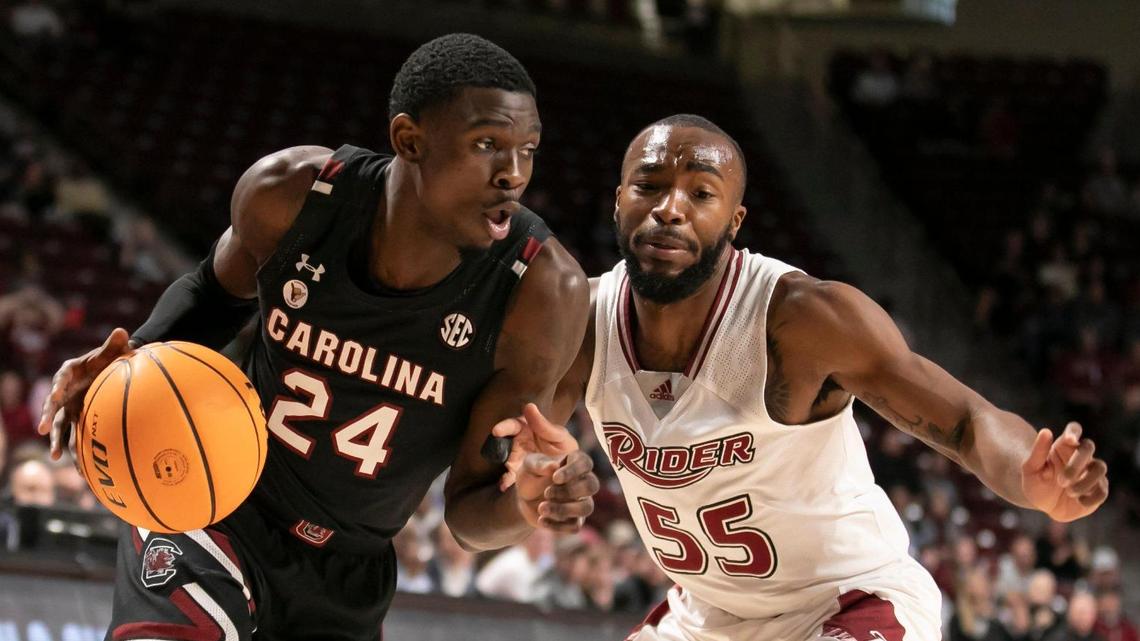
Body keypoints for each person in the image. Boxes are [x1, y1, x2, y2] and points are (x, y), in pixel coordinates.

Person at [37, 34, 598, 640]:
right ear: (410, 139)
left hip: (350, 569)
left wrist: (524, 505)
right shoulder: (295, 195)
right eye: (487, 144)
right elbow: (210, 294)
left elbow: (468, 516)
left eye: (529, 150)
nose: (513, 175)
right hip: (213, 499)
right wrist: (129, 355)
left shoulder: (538, 293)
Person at [495, 114, 1110, 640]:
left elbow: (967, 421)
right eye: (649, 185)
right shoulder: (582, 320)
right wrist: (532, 475)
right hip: (706, 615)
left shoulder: (804, 318)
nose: (670, 209)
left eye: (701, 194)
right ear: (619, 200)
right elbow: (513, 462)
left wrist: (1028, 481)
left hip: (849, 601)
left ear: (735, 221)